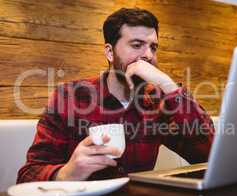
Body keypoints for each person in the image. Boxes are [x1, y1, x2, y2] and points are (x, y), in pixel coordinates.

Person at [17, 7, 214, 183]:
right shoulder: (69, 97)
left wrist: (169, 86)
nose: (148, 56)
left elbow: (209, 155)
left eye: (153, 47)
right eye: (137, 45)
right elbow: (28, 176)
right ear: (110, 53)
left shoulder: (157, 102)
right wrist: (67, 173)